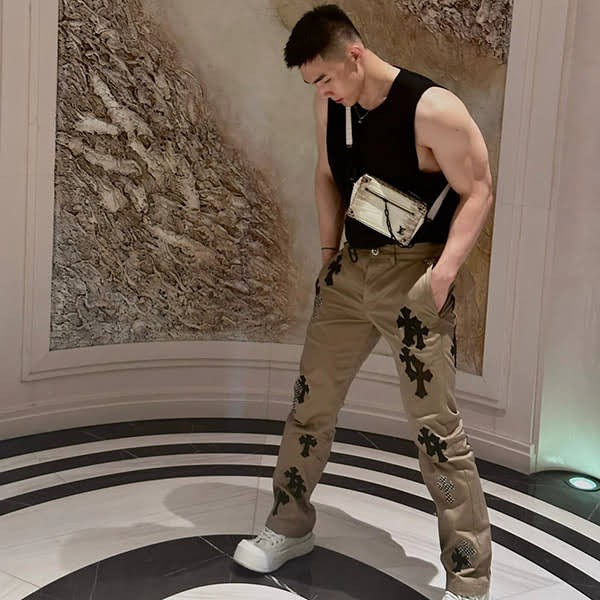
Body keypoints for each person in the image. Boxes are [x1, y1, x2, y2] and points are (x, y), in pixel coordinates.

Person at [233, 5, 494, 600]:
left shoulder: (432, 109)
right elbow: (327, 173)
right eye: (312, 83)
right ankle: (289, 523)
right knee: (310, 404)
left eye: (324, 78)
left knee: (437, 432)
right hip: (350, 272)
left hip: (414, 278)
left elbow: (478, 189)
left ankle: (468, 580)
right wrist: (329, 255)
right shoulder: (331, 104)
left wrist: (441, 277)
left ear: (354, 55)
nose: (320, 91)